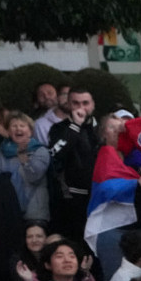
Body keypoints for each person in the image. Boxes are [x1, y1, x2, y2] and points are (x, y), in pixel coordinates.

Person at [45, 87, 99, 237]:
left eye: (85, 103)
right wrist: (75, 126)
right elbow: (55, 154)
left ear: (93, 104)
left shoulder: (101, 127)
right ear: (68, 104)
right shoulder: (58, 129)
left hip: (101, 195)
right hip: (72, 199)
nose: (81, 108)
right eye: (76, 103)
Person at [0, 112, 50, 224]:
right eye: (14, 126)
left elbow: (34, 178)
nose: (18, 129)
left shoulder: (40, 151)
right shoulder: (1, 151)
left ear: (30, 131)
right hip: (7, 210)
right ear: (8, 131)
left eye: (22, 126)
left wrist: (24, 158)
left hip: (34, 212)